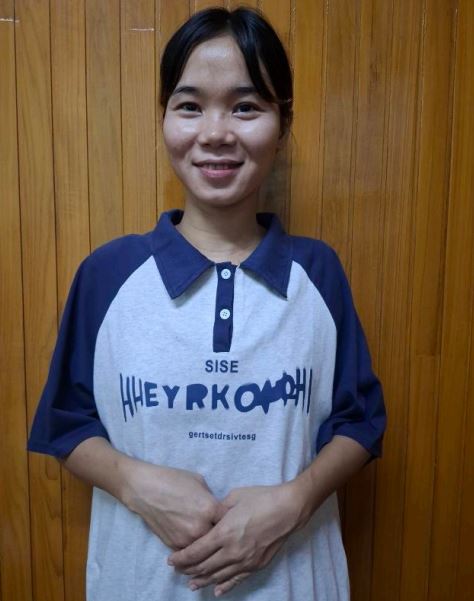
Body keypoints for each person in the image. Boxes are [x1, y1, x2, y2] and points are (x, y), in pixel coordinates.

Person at [28, 6, 386, 601]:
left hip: (295, 585)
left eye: (246, 107)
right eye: (190, 106)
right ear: (164, 118)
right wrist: (137, 484)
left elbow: (359, 422)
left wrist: (294, 503)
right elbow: (66, 422)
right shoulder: (108, 274)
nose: (216, 132)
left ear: (283, 123)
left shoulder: (318, 273)